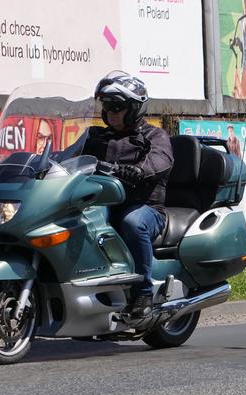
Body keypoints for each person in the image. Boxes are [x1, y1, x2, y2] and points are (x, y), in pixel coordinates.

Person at [82, 71, 174, 318]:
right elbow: (66, 157)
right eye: (107, 105)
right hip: (101, 205)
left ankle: (143, 292)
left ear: (134, 108)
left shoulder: (154, 136)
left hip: (145, 208)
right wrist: (43, 164)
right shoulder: (95, 136)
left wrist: (139, 170)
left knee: (131, 223)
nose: (111, 111)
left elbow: (161, 159)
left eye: (117, 106)